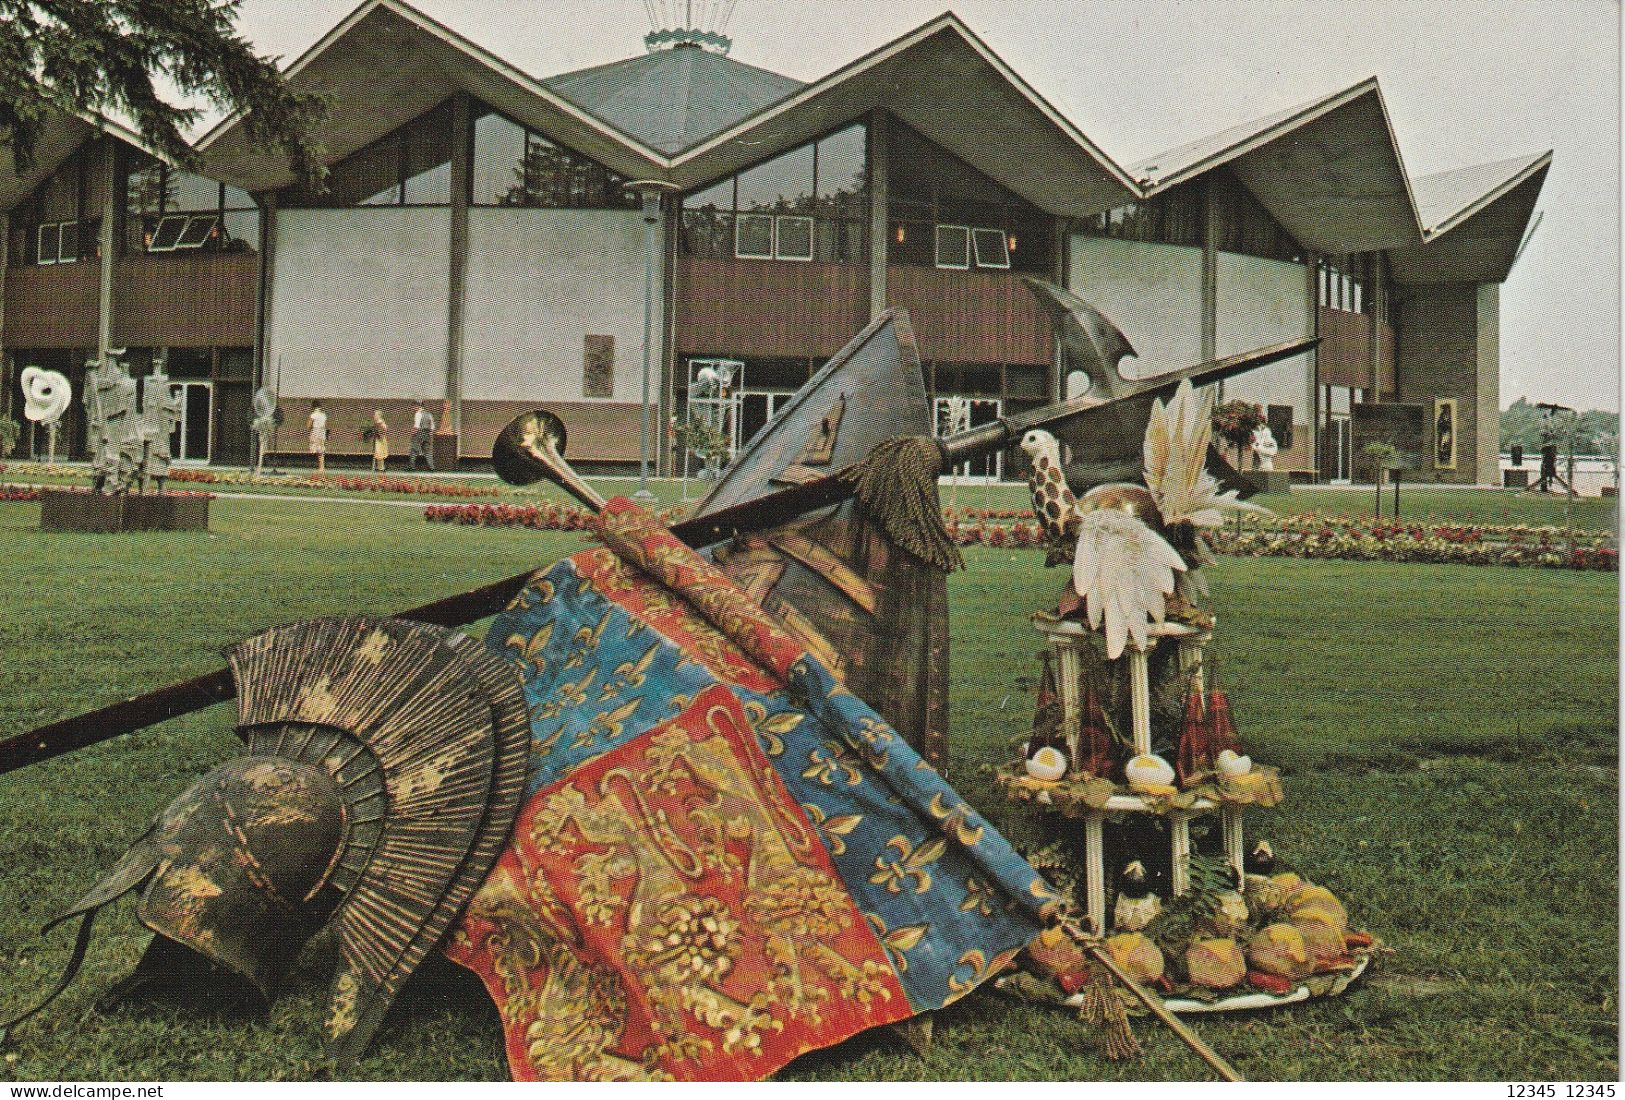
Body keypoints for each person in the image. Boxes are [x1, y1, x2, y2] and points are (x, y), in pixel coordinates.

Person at [409, 401, 436, 471]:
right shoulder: (429, 414)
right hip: (427, 433)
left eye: (413, 407)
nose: (413, 408)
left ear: (417, 406)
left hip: (418, 433)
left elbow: (416, 426)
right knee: (427, 451)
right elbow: (432, 426)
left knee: (414, 450)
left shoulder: (418, 414)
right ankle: (431, 467)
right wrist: (430, 434)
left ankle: (411, 466)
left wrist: (412, 433)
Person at [308, 401, 328, 473]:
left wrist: (311, 430)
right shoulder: (323, 415)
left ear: (313, 407)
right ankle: (321, 467)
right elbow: (325, 425)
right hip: (322, 432)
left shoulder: (313, 415)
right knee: (320, 449)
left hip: (316, 431)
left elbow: (309, 425)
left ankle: (321, 467)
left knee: (317, 450)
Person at [370, 409, 388, 473]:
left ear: (378, 416)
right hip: (379, 439)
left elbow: (384, 428)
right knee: (378, 454)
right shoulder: (378, 422)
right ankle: (380, 467)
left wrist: (380, 434)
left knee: (379, 454)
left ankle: (381, 468)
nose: (374, 416)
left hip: (380, 440)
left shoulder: (380, 422)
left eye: (375, 415)